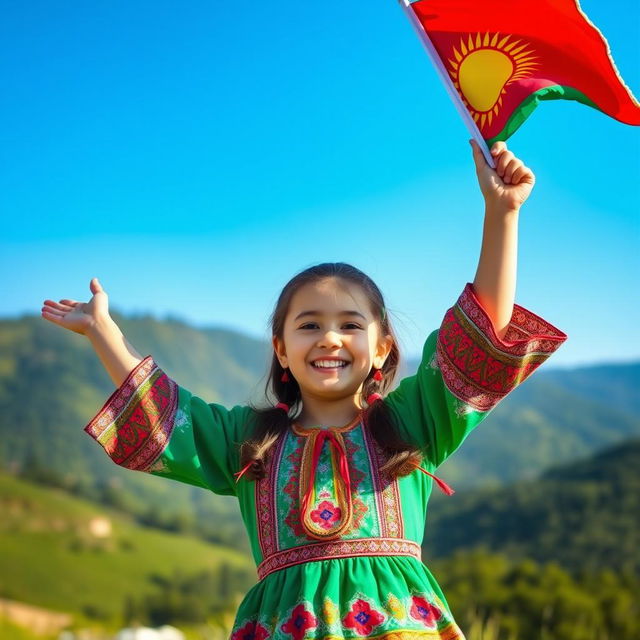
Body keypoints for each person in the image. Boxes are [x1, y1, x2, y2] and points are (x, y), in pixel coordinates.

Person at [41, 139, 567, 639]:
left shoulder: (412, 424)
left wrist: (502, 214)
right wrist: (103, 331)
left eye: (351, 325)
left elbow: (476, 338)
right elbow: (167, 411)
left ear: (383, 348)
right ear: (281, 349)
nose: (330, 338)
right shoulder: (249, 443)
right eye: (309, 325)